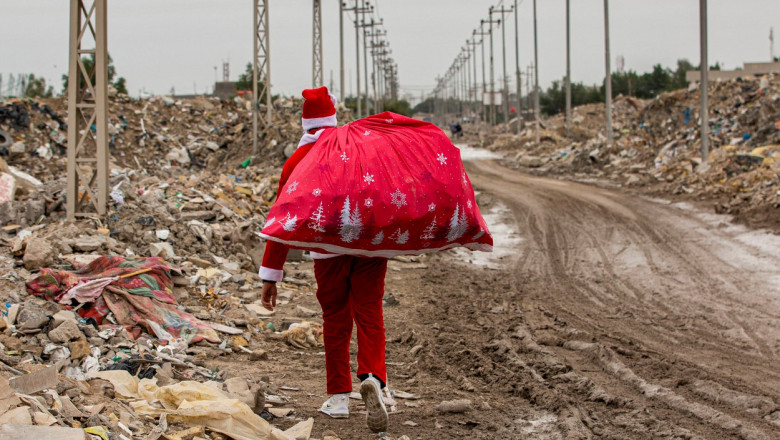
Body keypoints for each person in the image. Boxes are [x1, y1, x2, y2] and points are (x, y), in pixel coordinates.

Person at [259, 86, 390, 433]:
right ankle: (376, 379)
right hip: (369, 244)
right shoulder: (359, 148)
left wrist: (271, 275)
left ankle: (339, 398)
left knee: (335, 318)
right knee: (369, 311)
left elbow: (283, 218)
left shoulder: (298, 160)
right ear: (334, 119)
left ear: (306, 123)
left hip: (326, 250)